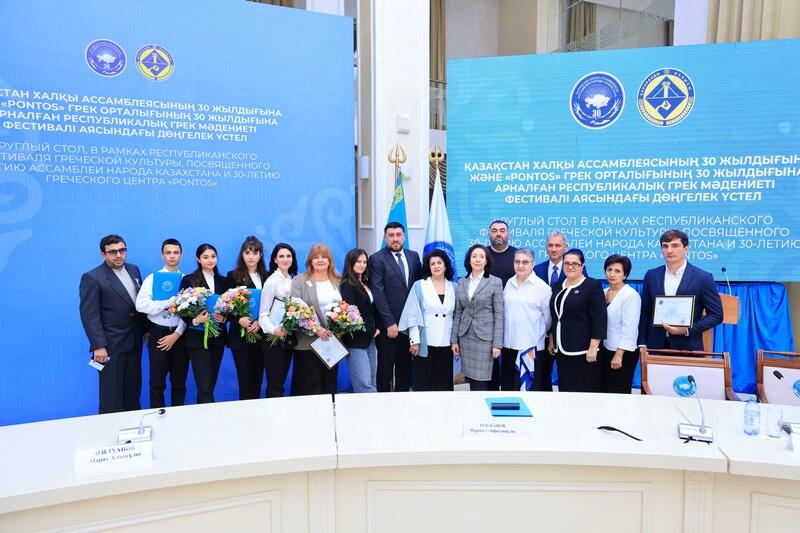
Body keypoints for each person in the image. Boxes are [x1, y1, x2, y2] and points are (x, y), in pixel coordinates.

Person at [79, 234, 147, 414]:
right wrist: (98, 346)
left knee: (133, 391)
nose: (118, 255)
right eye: (113, 252)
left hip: (134, 341)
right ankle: (109, 429)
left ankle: (133, 426)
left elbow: (138, 305)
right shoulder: (92, 277)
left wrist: (146, 330)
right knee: (112, 394)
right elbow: (89, 315)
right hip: (111, 346)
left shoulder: (134, 270)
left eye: (122, 250)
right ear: (103, 254)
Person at [638, 229, 723, 351]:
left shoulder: (703, 278)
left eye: (675, 246)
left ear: (686, 249)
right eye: (665, 246)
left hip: (688, 348)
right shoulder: (651, 275)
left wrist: (686, 330)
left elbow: (716, 315)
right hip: (654, 347)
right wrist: (642, 343)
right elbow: (645, 312)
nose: (669, 250)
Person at [135, 238, 189, 408]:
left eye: (176, 252)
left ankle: (178, 416)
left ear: (181, 255)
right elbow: (141, 305)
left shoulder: (186, 279)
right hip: (158, 333)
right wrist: (167, 303)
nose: (172, 256)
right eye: (168, 252)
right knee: (157, 383)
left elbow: (190, 312)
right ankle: (157, 416)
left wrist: (177, 334)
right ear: (162, 255)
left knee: (179, 382)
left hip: (180, 335)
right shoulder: (153, 278)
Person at [370, 222, 422, 392]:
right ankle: (384, 403)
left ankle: (403, 403)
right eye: (391, 235)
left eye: (398, 235)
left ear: (404, 236)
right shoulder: (377, 259)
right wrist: (389, 323)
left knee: (405, 370)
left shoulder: (414, 256)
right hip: (388, 328)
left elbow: (418, 289)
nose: (395, 238)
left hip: (409, 326)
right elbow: (378, 293)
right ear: (385, 238)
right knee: (385, 371)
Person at [547, 248, 606, 393]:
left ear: (582, 266)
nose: (570, 266)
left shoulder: (592, 285)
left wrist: (593, 347)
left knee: (584, 392)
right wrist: (552, 340)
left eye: (575, 263)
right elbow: (556, 316)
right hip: (562, 349)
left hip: (584, 351)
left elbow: (599, 318)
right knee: (566, 390)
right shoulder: (558, 285)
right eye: (566, 263)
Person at [399, 249, 457, 391]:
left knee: (444, 384)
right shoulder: (419, 286)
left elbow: (458, 315)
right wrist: (414, 341)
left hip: (447, 341)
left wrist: (456, 341)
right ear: (428, 267)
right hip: (425, 342)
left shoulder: (454, 287)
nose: (436, 266)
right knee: (424, 383)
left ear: (445, 265)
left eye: (439, 263)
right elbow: (412, 315)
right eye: (433, 264)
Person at [450, 245, 504, 391]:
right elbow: (458, 312)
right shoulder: (462, 282)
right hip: (466, 337)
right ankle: (474, 404)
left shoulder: (495, 282)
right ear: (469, 260)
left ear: (486, 261)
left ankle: (482, 405)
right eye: (474, 256)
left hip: (485, 339)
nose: (478, 259)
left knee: (482, 380)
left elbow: (499, 314)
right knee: (471, 379)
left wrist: (497, 344)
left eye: (481, 256)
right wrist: (454, 340)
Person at [290, 243, 341, 396]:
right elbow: (295, 309)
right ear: (310, 261)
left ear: (329, 260)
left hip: (332, 342)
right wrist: (317, 329)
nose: (320, 260)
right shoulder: (300, 280)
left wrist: (340, 328)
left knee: (329, 386)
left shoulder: (338, 280)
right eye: (316, 257)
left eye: (324, 257)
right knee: (307, 388)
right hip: (308, 342)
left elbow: (345, 308)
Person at [179, 243, 227, 404]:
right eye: (205, 257)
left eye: (213, 256)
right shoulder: (189, 280)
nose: (210, 260)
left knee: (211, 383)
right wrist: (195, 320)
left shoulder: (223, 280)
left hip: (218, 338)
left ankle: (206, 413)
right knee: (204, 385)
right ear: (198, 259)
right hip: (197, 338)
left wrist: (224, 318)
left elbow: (230, 308)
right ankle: (207, 416)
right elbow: (181, 308)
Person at [502, 248, 552, 391]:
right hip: (509, 345)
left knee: (528, 390)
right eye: (517, 262)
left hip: (530, 347)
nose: (520, 265)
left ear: (533, 264)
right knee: (509, 387)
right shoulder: (509, 283)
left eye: (525, 262)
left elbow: (548, 318)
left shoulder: (542, 287)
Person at [226, 236, 268, 400]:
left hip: (261, 334)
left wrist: (261, 321)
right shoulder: (232, 276)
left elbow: (272, 304)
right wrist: (238, 319)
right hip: (240, 337)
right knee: (245, 381)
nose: (251, 257)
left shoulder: (267, 276)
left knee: (257, 380)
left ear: (260, 255)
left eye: (255, 253)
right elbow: (224, 305)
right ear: (242, 254)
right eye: (247, 252)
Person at [258, 243, 298, 398]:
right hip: (272, 338)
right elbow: (263, 315)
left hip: (288, 336)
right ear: (275, 259)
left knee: (281, 381)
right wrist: (275, 330)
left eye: (288, 256)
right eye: (281, 256)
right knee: (275, 384)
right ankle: (272, 412)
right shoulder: (271, 281)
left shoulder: (293, 280)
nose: (285, 259)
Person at [339, 248, 378, 393]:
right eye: (358, 261)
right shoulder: (347, 285)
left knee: (372, 380)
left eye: (364, 262)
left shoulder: (366, 283)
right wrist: (372, 329)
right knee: (364, 384)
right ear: (351, 263)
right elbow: (352, 315)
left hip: (369, 339)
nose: (362, 265)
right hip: (355, 340)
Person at [601, 254, 641, 394]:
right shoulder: (603, 292)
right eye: (609, 270)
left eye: (617, 271)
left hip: (622, 353)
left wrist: (619, 354)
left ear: (625, 275)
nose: (612, 274)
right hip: (605, 349)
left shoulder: (631, 295)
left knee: (618, 391)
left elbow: (630, 329)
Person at [487, 219, 517, 286]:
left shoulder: (518, 255)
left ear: (508, 234)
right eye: (494, 231)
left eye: (502, 231)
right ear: (489, 235)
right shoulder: (482, 255)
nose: (498, 234)